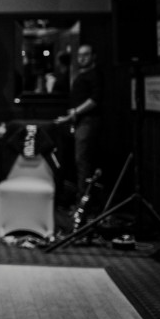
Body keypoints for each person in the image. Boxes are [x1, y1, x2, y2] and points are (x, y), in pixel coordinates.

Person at [55, 44, 103, 206]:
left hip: (88, 122)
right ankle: (82, 200)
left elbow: (95, 100)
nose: (82, 58)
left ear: (93, 56)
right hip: (80, 121)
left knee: (82, 160)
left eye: (86, 55)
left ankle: (83, 204)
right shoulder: (82, 74)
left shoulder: (94, 74)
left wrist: (75, 112)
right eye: (80, 55)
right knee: (80, 161)